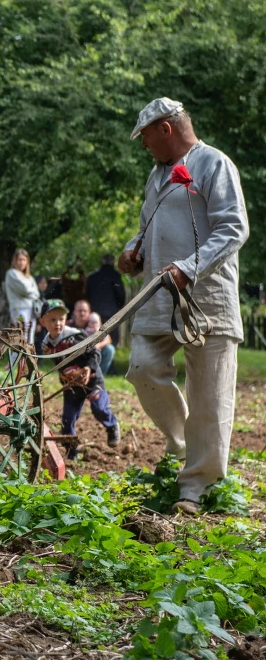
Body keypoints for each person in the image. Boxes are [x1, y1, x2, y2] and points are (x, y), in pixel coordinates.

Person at [118, 98, 249, 516]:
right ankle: (180, 442)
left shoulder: (214, 164)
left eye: (145, 137)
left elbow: (233, 227)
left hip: (208, 298)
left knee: (210, 398)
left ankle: (196, 488)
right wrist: (132, 251)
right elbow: (145, 227)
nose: (144, 147)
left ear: (165, 129)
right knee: (141, 368)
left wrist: (190, 268)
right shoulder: (155, 177)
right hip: (159, 296)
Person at [39, 299, 121, 459]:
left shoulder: (75, 336)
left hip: (92, 379)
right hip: (72, 384)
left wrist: (88, 368)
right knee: (67, 419)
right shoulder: (46, 344)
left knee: (99, 408)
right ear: (43, 322)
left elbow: (94, 353)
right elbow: (59, 362)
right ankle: (71, 451)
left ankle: (112, 425)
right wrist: (65, 375)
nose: (57, 324)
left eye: (61, 319)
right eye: (52, 320)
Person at [86, 254, 127, 344]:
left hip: (95, 312)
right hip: (111, 313)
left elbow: (87, 295)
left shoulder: (92, 277)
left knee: (93, 340)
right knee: (111, 341)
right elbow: (121, 294)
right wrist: (120, 306)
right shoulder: (115, 276)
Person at [4, 248, 39, 342]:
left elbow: (37, 294)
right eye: (19, 260)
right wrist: (30, 290)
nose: (21, 262)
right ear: (14, 261)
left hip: (31, 309)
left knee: (29, 338)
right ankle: (17, 357)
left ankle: (27, 357)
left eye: (24, 260)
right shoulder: (11, 273)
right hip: (19, 309)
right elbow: (24, 289)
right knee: (20, 337)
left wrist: (29, 291)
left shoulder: (29, 277)